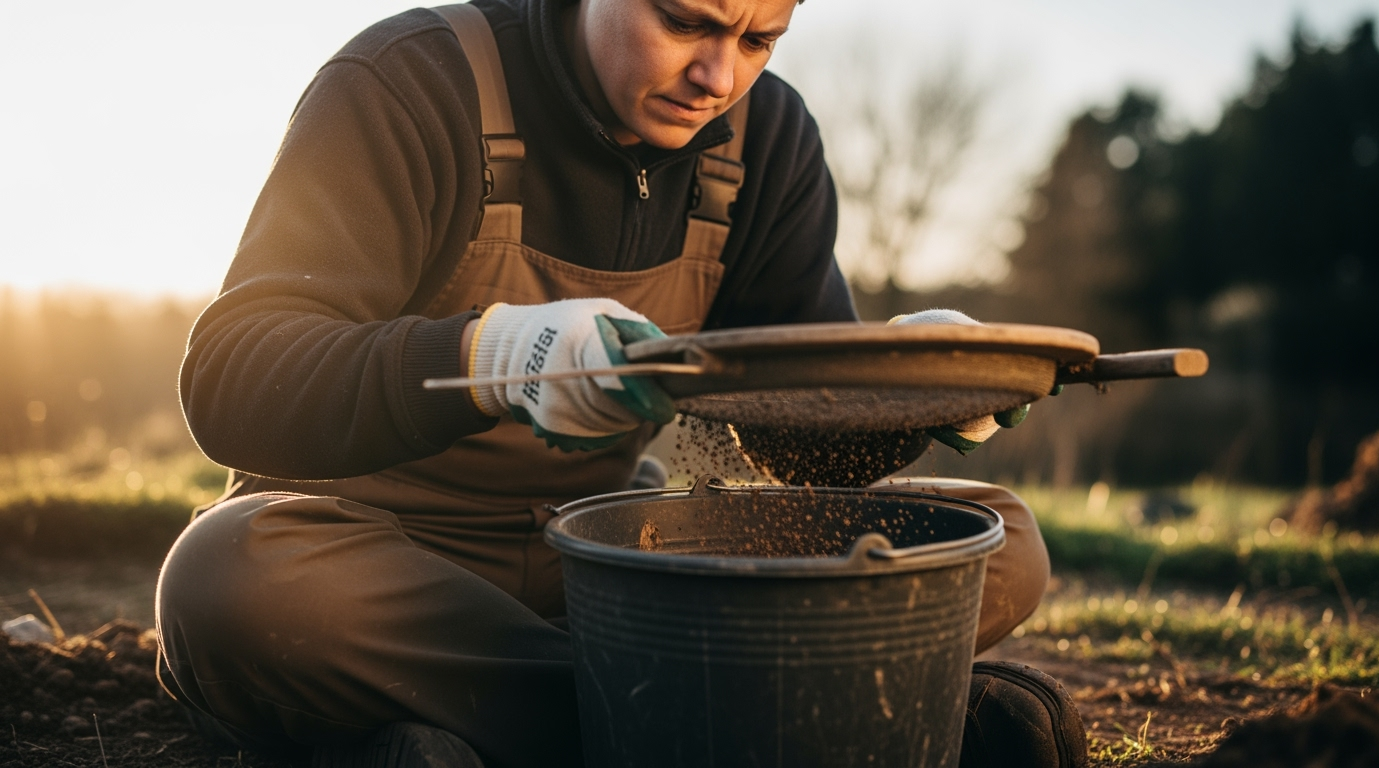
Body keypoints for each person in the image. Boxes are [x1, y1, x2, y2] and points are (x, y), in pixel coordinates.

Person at [156, 0, 1087, 766]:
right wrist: (491, 358)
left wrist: (911, 391)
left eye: (759, 39)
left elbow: (792, 442)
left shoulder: (768, 142)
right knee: (228, 579)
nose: (719, 78)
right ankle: (812, 721)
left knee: (995, 540)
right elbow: (235, 377)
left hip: (618, 557)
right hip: (387, 564)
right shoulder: (410, 82)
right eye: (686, 22)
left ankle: (496, 730)